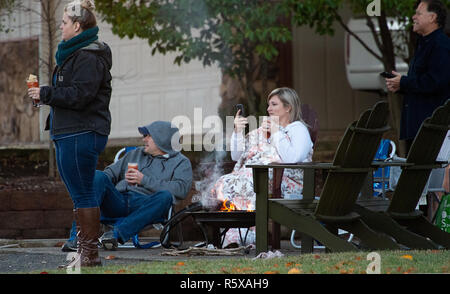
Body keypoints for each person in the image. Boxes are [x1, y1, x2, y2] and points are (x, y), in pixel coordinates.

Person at [27, 0, 112, 267]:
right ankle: (86, 255)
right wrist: (46, 96)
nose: (61, 27)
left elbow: (81, 95)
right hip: (69, 132)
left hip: (81, 132)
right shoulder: (75, 54)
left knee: (84, 193)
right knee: (80, 195)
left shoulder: (88, 56)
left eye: (64, 23)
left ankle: (89, 256)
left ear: (77, 26)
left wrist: (47, 93)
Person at [209, 87, 313, 247]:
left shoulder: (298, 130)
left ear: (288, 107)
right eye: (268, 104)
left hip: (286, 184)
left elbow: (292, 158)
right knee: (227, 181)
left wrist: (276, 132)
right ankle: (240, 232)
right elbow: (236, 156)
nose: (268, 109)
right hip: (261, 180)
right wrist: (237, 131)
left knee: (247, 182)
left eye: (274, 104)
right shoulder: (263, 130)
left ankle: (247, 234)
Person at [64, 121, 193, 250]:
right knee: (99, 176)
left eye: (148, 136)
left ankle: (115, 235)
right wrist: (97, 186)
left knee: (165, 197)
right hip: (118, 200)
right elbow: (110, 173)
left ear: (162, 139)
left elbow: (180, 189)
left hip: (145, 204)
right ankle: (77, 238)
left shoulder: (180, 162)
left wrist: (143, 180)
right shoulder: (135, 154)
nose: (144, 139)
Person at [385, 0, 450, 154]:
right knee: (415, 174)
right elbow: (420, 83)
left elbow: (435, 82)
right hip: (417, 127)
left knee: (426, 175)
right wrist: (401, 85)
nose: (414, 17)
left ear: (432, 17)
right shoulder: (423, 43)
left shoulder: (441, 45)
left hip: (431, 129)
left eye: (418, 13)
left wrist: (405, 82)